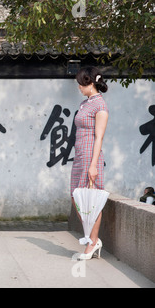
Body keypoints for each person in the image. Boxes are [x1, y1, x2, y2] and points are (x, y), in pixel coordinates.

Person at [70, 66, 109, 260]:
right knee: (76, 197)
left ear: (90, 83)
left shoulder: (100, 105)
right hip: (80, 156)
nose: (78, 86)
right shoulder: (85, 103)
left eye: (80, 83)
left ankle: (92, 242)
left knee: (92, 200)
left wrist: (94, 165)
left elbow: (99, 137)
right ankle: (92, 239)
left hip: (90, 156)